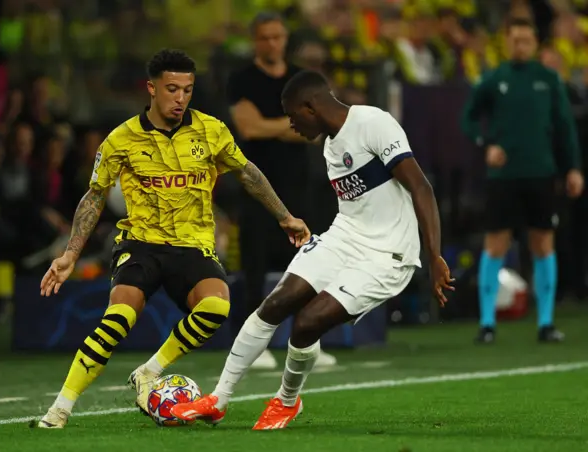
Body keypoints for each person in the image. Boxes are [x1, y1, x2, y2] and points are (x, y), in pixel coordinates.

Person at [36, 49, 310, 429]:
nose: (180, 98)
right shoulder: (122, 139)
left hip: (192, 245)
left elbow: (246, 173)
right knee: (119, 317)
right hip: (140, 245)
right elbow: (94, 196)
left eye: (187, 89)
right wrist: (70, 254)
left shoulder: (211, 131)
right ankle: (60, 409)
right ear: (151, 89)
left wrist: (285, 216)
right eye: (171, 89)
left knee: (217, 308)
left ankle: (149, 370)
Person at [170, 70, 454, 430]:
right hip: (345, 237)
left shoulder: (373, 122)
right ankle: (218, 399)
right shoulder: (330, 145)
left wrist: (434, 256)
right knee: (274, 304)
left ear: (310, 107)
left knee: (307, 323)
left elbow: (421, 187)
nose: (292, 126)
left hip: (388, 253)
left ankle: (287, 401)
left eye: (292, 117)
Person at [461, 18, 584, 344]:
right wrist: (486, 144)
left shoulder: (548, 79)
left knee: (543, 243)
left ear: (535, 44)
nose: (521, 46)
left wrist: (572, 168)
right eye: (515, 40)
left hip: (541, 172)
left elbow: (564, 128)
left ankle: (546, 322)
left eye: (526, 41)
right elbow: (469, 118)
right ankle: (487, 323)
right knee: (496, 243)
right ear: (506, 41)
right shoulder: (494, 79)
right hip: (503, 176)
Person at [227, 11, 335, 369]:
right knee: (255, 264)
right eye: (265, 37)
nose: (272, 43)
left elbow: (315, 126)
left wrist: (267, 123)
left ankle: (305, 342)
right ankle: (253, 347)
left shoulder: (301, 79)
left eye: (277, 37)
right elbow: (248, 129)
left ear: (285, 39)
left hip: (299, 183)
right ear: (256, 40)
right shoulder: (242, 79)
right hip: (256, 183)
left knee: (306, 262)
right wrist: (287, 124)